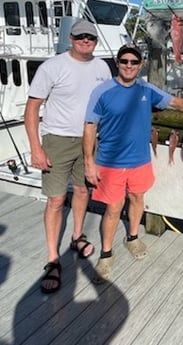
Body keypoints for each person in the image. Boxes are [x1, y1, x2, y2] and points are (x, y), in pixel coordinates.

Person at [83, 45, 183, 283]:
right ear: (117, 63)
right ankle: (106, 253)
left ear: (140, 65)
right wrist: (89, 161)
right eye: (124, 61)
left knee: (138, 199)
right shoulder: (102, 91)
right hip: (110, 162)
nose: (128, 66)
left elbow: (172, 102)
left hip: (140, 160)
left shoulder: (146, 88)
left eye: (133, 62)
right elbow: (90, 126)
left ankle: (132, 237)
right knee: (113, 208)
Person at [25, 20, 112, 294]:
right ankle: (53, 258)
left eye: (91, 37)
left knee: (83, 191)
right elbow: (32, 108)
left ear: (96, 41)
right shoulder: (52, 66)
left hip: (89, 141)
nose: (85, 40)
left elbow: (107, 103)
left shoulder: (101, 67)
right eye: (80, 36)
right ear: (71, 38)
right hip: (57, 140)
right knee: (56, 199)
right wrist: (36, 148)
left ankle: (76, 237)